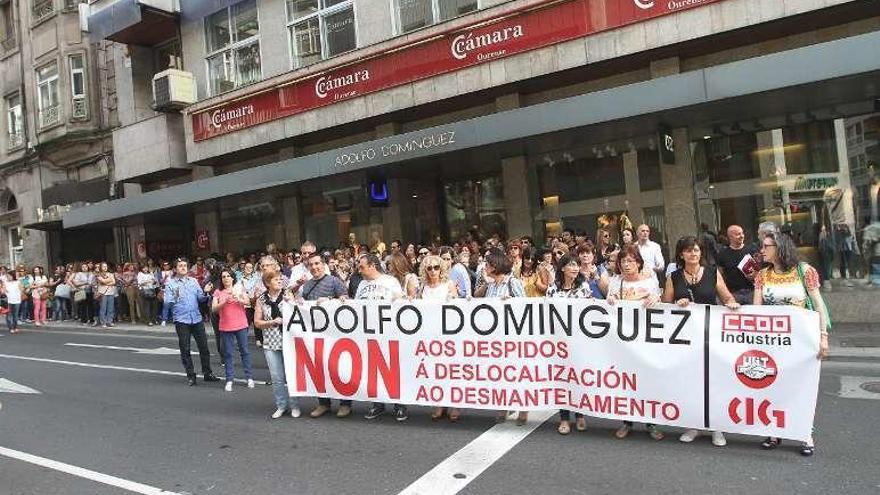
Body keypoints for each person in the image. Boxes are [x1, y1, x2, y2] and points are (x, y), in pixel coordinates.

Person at [753, 231, 828, 456]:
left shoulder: (805, 271)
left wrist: (823, 336)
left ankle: (805, 433)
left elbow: (818, 304)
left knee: (802, 387)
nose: (762, 250)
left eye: (767, 246)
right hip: (772, 342)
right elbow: (756, 310)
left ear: (779, 248)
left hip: (801, 341)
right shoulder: (762, 275)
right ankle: (775, 431)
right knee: (772, 385)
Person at [662, 236, 740, 447]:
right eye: (688, 251)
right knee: (690, 382)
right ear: (681, 254)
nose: (693, 254)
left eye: (696, 250)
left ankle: (717, 428)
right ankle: (693, 425)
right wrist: (678, 303)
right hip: (685, 338)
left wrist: (731, 304)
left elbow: (727, 297)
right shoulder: (674, 276)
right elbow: (664, 305)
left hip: (710, 337)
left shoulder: (713, 273)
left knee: (713, 382)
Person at [606, 245, 664, 441]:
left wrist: (655, 298)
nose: (626, 264)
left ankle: (651, 422)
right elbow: (610, 300)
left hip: (645, 340)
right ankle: (627, 421)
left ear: (638, 262)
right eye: (623, 261)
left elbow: (659, 300)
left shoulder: (649, 281)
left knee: (647, 382)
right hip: (624, 341)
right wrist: (611, 298)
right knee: (626, 383)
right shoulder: (616, 282)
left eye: (630, 261)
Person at [475, 249, 527, 424]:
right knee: (501, 374)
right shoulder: (490, 285)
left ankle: (523, 409)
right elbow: (477, 298)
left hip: (513, 336)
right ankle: (503, 405)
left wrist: (511, 301)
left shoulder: (513, 282)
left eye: (488, 264)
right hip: (496, 338)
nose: (485, 267)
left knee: (517, 373)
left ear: (496, 266)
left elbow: (525, 307)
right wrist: (486, 282)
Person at [296, 252, 349, 418]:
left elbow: (346, 300)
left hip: (335, 333)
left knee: (339, 368)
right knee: (319, 369)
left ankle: (345, 404)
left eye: (317, 263)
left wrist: (330, 300)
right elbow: (302, 305)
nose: (314, 267)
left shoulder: (334, 281)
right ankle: (323, 403)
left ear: (323, 264)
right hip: (316, 334)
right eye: (311, 264)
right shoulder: (307, 285)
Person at [546, 253, 593, 435]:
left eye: (577, 265)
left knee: (578, 377)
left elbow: (590, 311)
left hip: (579, 341)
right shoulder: (552, 289)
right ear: (563, 268)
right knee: (562, 380)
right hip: (559, 343)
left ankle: (580, 415)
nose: (575, 268)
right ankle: (564, 417)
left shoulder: (584, 287)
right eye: (571, 265)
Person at [357, 253, 408, 421]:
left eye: (362, 266)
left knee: (392, 369)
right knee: (373, 370)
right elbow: (356, 306)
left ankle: (399, 405)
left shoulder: (390, 281)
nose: (359, 269)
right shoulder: (361, 284)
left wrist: (398, 299)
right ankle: (377, 404)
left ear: (372, 265)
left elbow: (401, 303)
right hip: (369, 333)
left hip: (388, 332)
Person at [164, 258, 220, 386]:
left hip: (196, 318)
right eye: (180, 266)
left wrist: (206, 292)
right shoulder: (171, 283)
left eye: (185, 265)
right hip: (181, 320)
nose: (183, 267)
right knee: (185, 349)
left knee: (204, 347)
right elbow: (167, 303)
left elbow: (200, 298)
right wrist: (175, 297)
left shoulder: (193, 281)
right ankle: (191, 375)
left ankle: (207, 373)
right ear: (175, 269)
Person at [417, 254, 459, 422]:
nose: (433, 271)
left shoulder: (448, 285)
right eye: (429, 268)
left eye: (436, 267)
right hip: (430, 334)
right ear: (425, 271)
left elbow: (458, 306)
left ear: (441, 269)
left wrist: (453, 299)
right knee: (436, 371)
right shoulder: (423, 288)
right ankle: (440, 402)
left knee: (451, 370)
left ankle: (455, 403)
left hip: (448, 333)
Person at [254, 271, 299, 418]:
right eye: (275, 279)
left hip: (288, 342)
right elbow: (257, 322)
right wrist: (272, 322)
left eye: (280, 279)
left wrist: (292, 302)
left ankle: (295, 405)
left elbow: (297, 313)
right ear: (267, 283)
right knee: (277, 377)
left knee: (290, 375)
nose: (279, 281)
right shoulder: (261, 299)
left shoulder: (288, 294)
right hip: (270, 343)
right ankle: (281, 405)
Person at [212, 268, 255, 392]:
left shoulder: (239, 288)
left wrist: (239, 299)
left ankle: (249, 377)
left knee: (244, 351)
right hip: (225, 326)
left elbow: (247, 302)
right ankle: (229, 379)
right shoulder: (218, 291)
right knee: (228, 353)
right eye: (223, 276)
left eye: (228, 276)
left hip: (241, 324)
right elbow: (214, 309)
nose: (226, 278)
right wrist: (224, 302)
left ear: (232, 277)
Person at [716, 225, 761, 305]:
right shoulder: (722, 254)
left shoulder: (753, 249)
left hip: (753, 292)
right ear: (730, 237)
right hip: (733, 294)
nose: (742, 236)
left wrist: (756, 274)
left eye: (742, 233)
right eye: (738, 234)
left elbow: (762, 270)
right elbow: (720, 276)